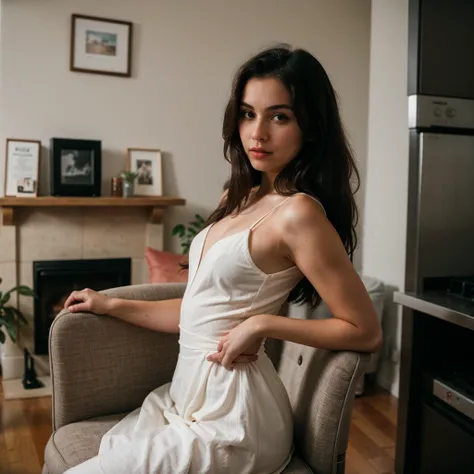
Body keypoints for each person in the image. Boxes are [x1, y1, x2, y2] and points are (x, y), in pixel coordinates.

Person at [64, 44, 382, 474]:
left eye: (280, 116)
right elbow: (198, 311)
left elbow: (365, 331)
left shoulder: (298, 214)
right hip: (185, 396)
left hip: (235, 417)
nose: (257, 133)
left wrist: (262, 324)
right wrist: (110, 304)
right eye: (249, 114)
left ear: (312, 125)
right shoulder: (239, 197)